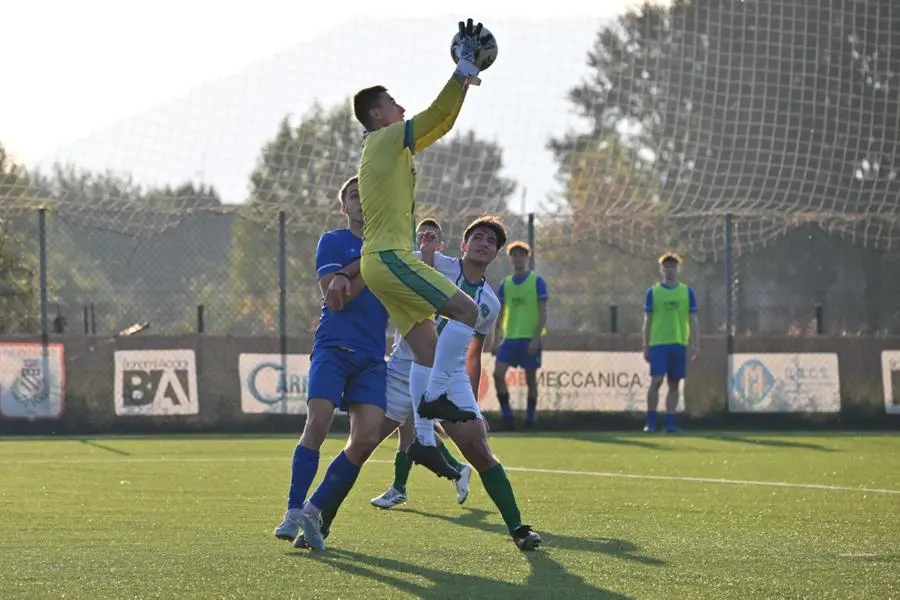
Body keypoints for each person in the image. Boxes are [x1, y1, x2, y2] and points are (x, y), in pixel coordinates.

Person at [299, 215, 542, 552]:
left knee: (478, 447)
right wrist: (344, 273)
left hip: (450, 378)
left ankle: (519, 528)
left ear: (496, 254)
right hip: (404, 368)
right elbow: (379, 262)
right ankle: (317, 521)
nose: (484, 244)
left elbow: (474, 354)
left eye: (492, 242)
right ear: (463, 244)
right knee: (361, 443)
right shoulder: (436, 263)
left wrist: (471, 401)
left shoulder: (490, 301)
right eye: (479, 237)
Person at [328, 20, 487, 450]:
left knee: (429, 352)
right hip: (391, 258)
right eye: (393, 102)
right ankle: (435, 400)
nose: (400, 107)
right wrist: (459, 72)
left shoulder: (385, 144)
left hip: (379, 264)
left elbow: (440, 125)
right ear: (377, 114)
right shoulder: (384, 138)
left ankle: (423, 427)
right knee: (473, 314)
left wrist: (466, 79)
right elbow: (433, 118)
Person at [272, 176, 389, 546]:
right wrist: (370, 266)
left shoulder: (391, 248)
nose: (360, 201)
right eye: (353, 196)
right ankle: (293, 510)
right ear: (344, 207)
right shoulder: (334, 242)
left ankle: (314, 509)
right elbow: (335, 298)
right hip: (334, 348)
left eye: (366, 195)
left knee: (367, 437)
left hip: (372, 357)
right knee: (318, 422)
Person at [491, 241, 549, 429]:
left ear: (527, 257)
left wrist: (535, 338)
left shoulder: (537, 282)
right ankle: (507, 415)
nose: (517, 258)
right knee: (498, 374)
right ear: (510, 258)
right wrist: (495, 340)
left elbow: (543, 312)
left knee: (530, 379)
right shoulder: (505, 284)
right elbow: (499, 315)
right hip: (510, 339)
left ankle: (530, 419)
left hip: (529, 339)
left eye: (521, 254)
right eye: (514, 255)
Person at [642, 252, 700, 433]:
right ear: (661, 269)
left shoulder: (687, 292)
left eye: (673, 266)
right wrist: (645, 345)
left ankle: (670, 423)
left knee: (674, 383)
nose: (670, 270)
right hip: (659, 343)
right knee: (657, 381)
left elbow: (693, 320)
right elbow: (648, 320)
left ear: (678, 269)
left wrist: (696, 344)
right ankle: (651, 422)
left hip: (679, 343)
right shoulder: (653, 292)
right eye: (666, 266)